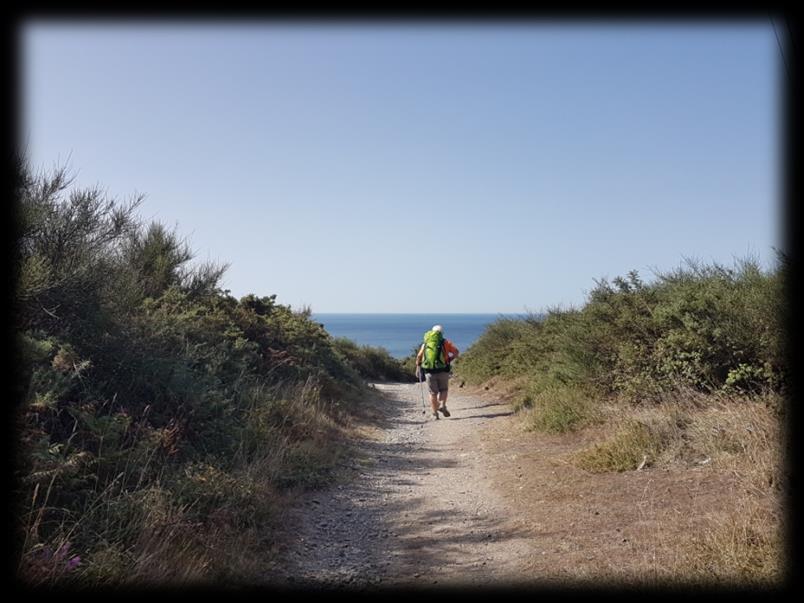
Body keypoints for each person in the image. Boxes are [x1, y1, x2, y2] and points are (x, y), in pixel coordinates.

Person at [415, 324, 459, 420]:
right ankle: (442, 405)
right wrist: (449, 359)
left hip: (429, 371)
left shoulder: (425, 343)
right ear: (441, 333)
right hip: (443, 370)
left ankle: (435, 413)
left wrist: (417, 367)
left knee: (433, 393)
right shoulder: (446, 342)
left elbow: (419, 357)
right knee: (444, 389)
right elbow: (456, 352)